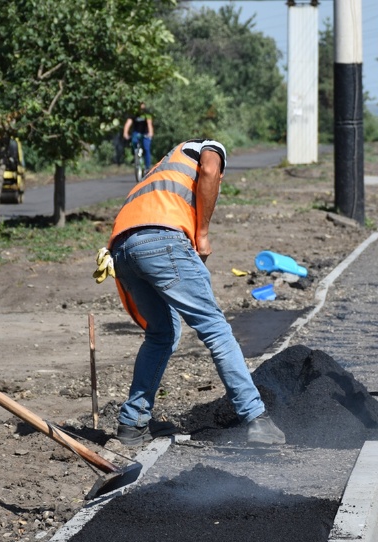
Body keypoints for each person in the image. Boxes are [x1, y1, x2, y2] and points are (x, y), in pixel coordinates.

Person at [98, 139, 285, 446]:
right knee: (215, 329)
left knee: (161, 334)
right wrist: (202, 234)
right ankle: (256, 418)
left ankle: (132, 424)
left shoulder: (158, 169)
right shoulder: (206, 147)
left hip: (122, 248)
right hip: (163, 238)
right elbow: (210, 171)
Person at [122, 102, 154, 170]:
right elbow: (128, 124)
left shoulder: (147, 113)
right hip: (136, 132)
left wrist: (150, 133)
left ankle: (147, 167)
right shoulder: (134, 113)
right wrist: (125, 133)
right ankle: (135, 155)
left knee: (146, 148)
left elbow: (149, 124)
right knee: (134, 141)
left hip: (146, 132)